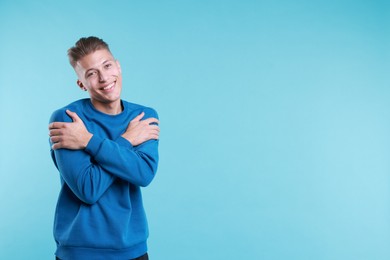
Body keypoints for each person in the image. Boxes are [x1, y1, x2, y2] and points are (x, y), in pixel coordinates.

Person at [48, 36, 160, 260]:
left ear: (118, 65)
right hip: (79, 252)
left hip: (133, 250)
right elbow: (88, 189)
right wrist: (127, 140)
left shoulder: (143, 117)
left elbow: (144, 174)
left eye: (107, 66)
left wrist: (87, 141)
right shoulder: (68, 119)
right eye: (91, 73)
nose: (104, 78)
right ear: (82, 84)